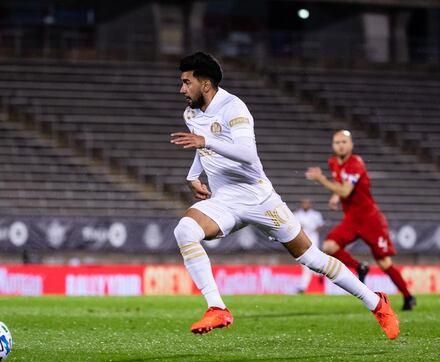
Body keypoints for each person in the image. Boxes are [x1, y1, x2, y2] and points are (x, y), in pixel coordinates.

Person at [170, 52, 399, 340]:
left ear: (205, 84)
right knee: (185, 230)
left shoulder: (233, 107)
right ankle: (217, 307)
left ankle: (377, 303)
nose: (182, 89)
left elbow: (247, 153)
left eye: (186, 82)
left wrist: (206, 141)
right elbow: (202, 150)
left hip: (259, 198)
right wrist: (194, 174)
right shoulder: (191, 113)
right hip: (225, 200)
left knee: (311, 257)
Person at [305, 130, 416, 311]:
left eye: (344, 142)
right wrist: (335, 195)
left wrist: (321, 180)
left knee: (384, 263)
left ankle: (408, 296)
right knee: (329, 247)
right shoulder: (333, 162)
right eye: (337, 142)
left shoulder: (355, 163)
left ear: (351, 145)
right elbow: (341, 185)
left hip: (371, 220)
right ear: (333, 145)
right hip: (352, 219)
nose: (340, 145)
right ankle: (360, 267)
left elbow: (346, 191)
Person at [294, 198, 325, 293]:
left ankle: (302, 287)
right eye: (304, 203)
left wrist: (315, 229)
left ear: (311, 204)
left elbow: (320, 225)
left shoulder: (316, 215)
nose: (306, 205)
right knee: (306, 264)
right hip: (301, 240)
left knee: (309, 262)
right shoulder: (296, 214)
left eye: (307, 203)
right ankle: (320, 273)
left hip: (313, 240)